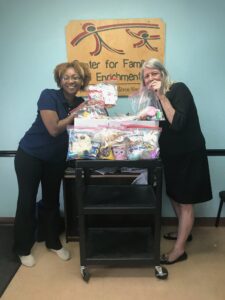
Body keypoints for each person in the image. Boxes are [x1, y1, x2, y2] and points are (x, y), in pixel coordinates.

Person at [13, 60, 91, 267]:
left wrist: (99, 106)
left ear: (82, 80)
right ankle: (22, 247)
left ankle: (52, 242)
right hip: (31, 155)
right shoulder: (48, 95)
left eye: (76, 77)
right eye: (66, 77)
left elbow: (92, 129)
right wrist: (77, 114)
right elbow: (54, 129)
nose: (71, 81)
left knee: (51, 201)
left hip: (56, 159)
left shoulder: (81, 103)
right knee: (27, 200)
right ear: (60, 79)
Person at [139, 58, 212, 264]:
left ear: (163, 74)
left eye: (155, 73)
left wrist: (161, 95)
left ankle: (179, 250)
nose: (151, 78)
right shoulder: (153, 100)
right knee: (174, 194)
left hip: (189, 153)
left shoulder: (178, 89)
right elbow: (161, 127)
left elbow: (178, 124)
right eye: (147, 76)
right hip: (170, 155)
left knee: (185, 200)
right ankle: (184, 232)